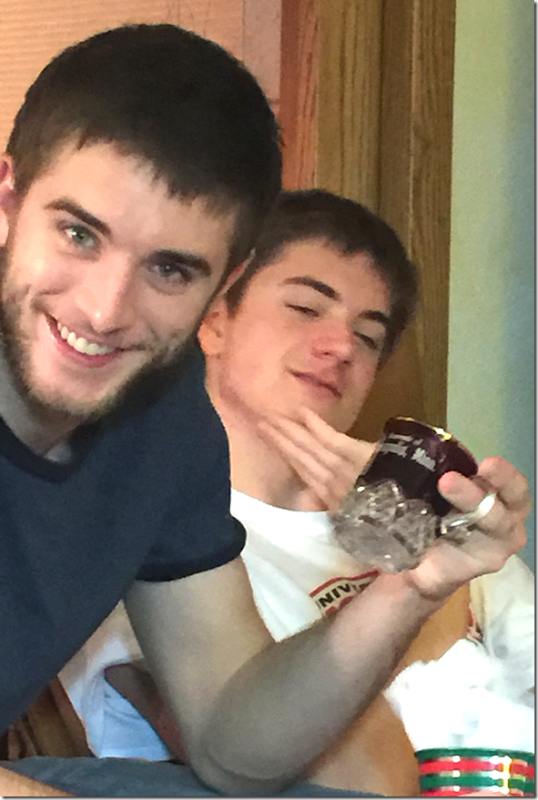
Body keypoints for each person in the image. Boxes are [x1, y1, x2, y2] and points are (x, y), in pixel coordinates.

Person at [0, 23, 530, 797]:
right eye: (80, 234)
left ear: (221, 284)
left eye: (170, 270)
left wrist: (410, 588)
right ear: (9, 202)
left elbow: (232, 745)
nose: (106, 309)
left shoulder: (164, 411)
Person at [58, 191, 534, 796]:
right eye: (306, 309)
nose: (342, 347)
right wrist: (426, 590)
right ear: (213, 320)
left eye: (368, 337)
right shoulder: (161, 548)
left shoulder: (456, 531)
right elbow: (356, 785)